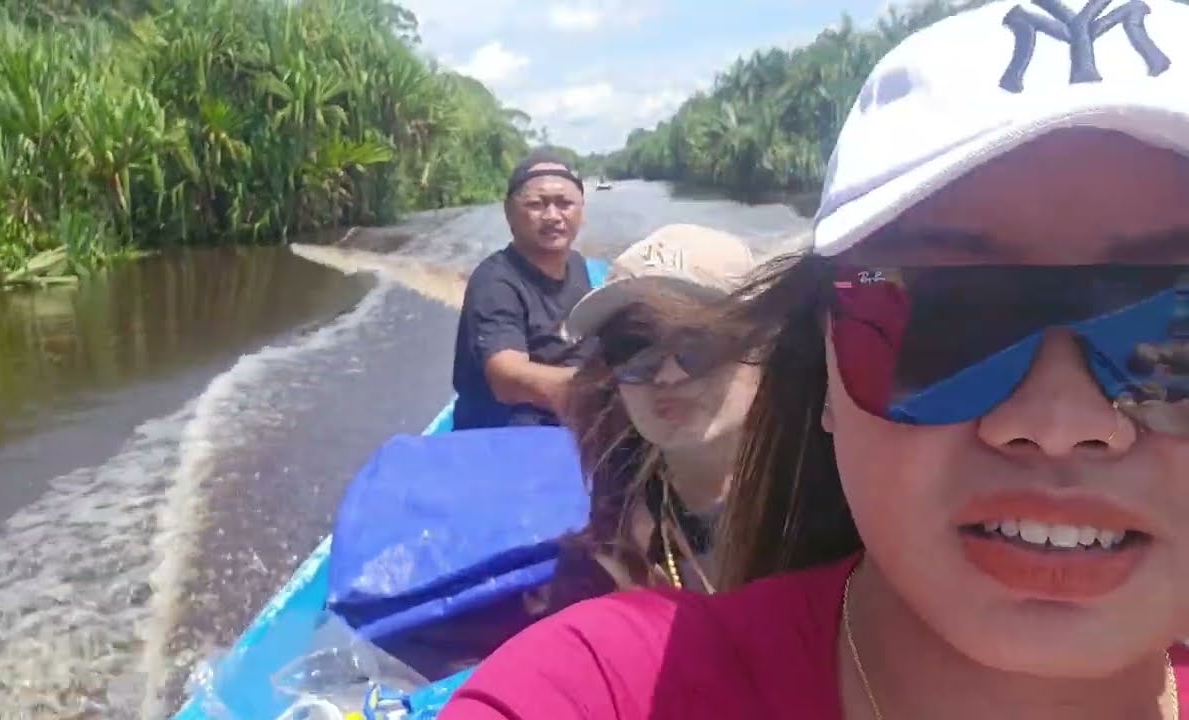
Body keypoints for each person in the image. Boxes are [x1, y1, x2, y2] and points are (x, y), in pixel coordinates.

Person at [440, 0, 1189, 717]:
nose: (1062, 422)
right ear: (824, 364)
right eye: (949, 320)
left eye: (1173, 335)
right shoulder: (617, 690)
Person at [546, 224, 760, 607]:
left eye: (698, 344)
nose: (667, 375)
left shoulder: (833, 497)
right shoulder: (614, 532)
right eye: (634, 347)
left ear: (764, 346)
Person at [451, 150, 592, 430]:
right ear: (509, 213)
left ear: (581, 211)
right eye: (537, 204)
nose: (552, 216)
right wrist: (604, 392)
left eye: (564, 203)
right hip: (508, 435)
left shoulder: (578, 265)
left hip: (574, 418)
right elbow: (509, 380)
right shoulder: (495, 283)